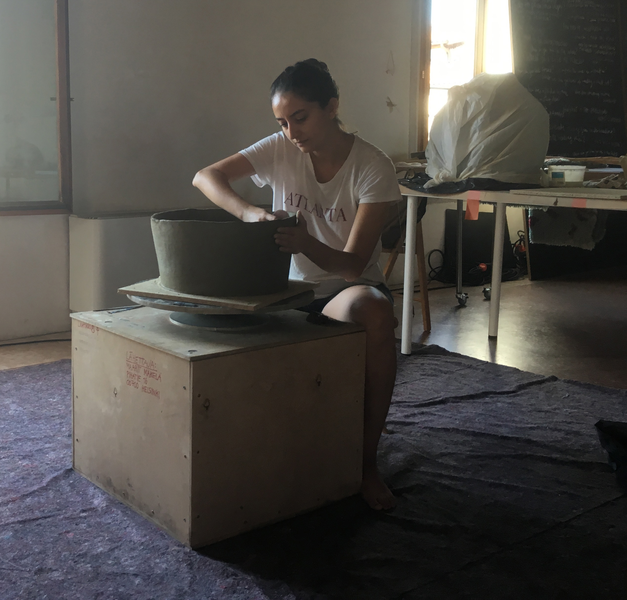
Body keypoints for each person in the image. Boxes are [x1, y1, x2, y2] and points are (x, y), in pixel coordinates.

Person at [193, 58, 402, 510]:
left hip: (344, 291)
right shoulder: (281, 148)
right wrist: (250, 213)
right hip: (288, 291)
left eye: (300, 118)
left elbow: (352, 267)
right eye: (282, 123)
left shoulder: (373, 166)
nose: (291, 132)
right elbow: (205, 176)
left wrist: (305, 243)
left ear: (332, 107)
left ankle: (366, 464)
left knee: (375, 311)